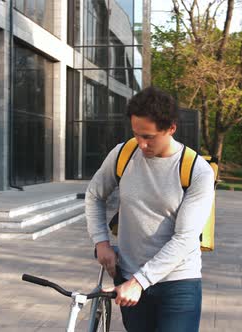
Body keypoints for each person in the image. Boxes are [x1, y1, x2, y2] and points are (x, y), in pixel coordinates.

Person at [85, 86, 215, 332]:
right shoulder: (123, 154)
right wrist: (101, 242)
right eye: (136, 134)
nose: (142, 144)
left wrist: (140, 282)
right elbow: (93, 195)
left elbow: (185, 238)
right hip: (129, 275)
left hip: (178, 284)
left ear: (171, 129)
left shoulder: (196, 171)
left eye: (149, 137)